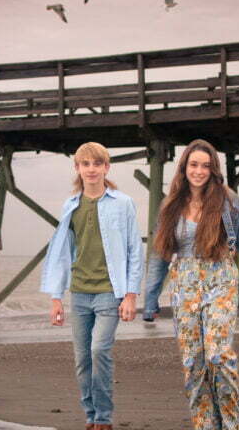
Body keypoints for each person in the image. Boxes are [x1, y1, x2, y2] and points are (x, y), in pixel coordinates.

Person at [143, 139, 239, 430]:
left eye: (205, 165)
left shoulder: (228, 201)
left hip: (220, 280)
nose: (199, 171)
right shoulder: (171, 205)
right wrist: (150, 300)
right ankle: (205, 425)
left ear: (213, 169)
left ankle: (234, 424)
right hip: (183, 284)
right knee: (193, 364)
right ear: (184, 167)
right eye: (193, 165)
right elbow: (160, 255)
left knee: (218, 355)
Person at [41, 142, 143, 430]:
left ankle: (104, 418)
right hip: (80, 293)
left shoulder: (122, 203)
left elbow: (135, 249)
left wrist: (131, 296)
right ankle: (90, 416)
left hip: (110, 292)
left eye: (97, 164)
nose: (91, 169)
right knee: (82, 359)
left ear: (106, 167)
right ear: (77, 168)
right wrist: (56, 298)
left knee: (100, 351)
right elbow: (62, 253)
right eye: (85, 164)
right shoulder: (70, 205)